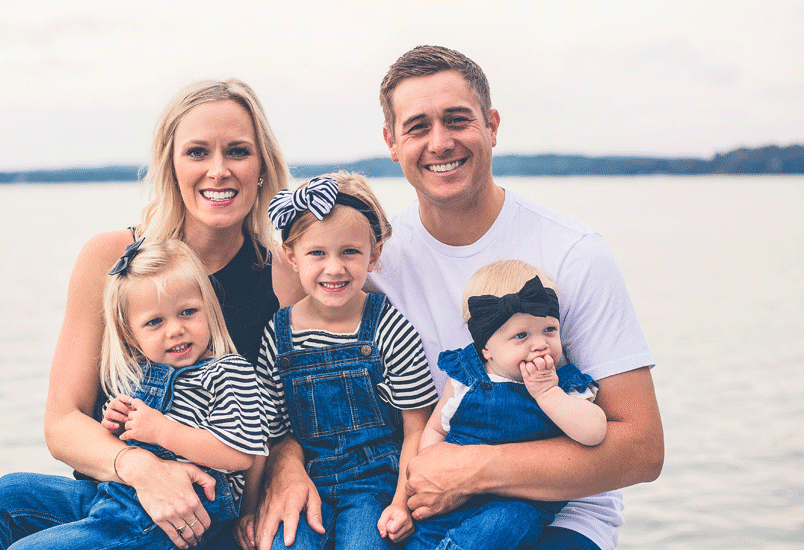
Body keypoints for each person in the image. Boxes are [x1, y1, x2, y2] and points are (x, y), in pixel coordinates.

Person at [254, 46, 663, 550]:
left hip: (556, 515)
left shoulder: (573, 253)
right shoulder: (366, 260)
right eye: (417, 127)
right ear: (391, 141)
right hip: (414, 509)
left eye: (457, 120)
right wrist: (286, 463)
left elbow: (642, 450)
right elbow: (291, 384)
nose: (440, 142)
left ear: (492, 125)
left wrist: (475, 470)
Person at [0, 79, 295, 550]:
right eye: (197, 152)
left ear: (261, 165)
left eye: (237, 151)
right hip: (118, 486)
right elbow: (62, 421)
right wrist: (142, 468)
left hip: (203, 508)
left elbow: (288, 424)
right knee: (7, 497)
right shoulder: (113, 259)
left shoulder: (284, 274)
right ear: (171, 165)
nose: (218, 170)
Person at [0, 239, 268, 549]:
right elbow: (125, 442)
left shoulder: (228, 372)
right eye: (155, 322)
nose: (175, 329)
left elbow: (241, 454)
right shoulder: (139, 372)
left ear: (208, 309)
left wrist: (164, 431)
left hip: (182, 514)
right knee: (9, 496)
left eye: (188, 312)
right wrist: (116, 426)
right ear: (130, 334)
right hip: (118, 496)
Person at [236, 173, 439, 549]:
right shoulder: (277, 337)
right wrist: (249, 508)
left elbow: (417, 429)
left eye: (349, 251)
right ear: (291, 256)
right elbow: (271, 433)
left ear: (374, 255)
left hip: (374, 485)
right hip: (305, 480)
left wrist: (401, 504)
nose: (334, 268)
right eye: (317, 253)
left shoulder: (388, 329)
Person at [407, 260, 607, 549]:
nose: (540, 344)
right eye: (522, 335)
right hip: (449, 500)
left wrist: (548, 394)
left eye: (549, 330)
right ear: (485, 347)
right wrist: (432, 464)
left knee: (510, 521)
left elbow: (595, 432)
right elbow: (436, 429)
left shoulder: (564, 386)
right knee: (420, 538)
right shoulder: (465, 378)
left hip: (520, 501)